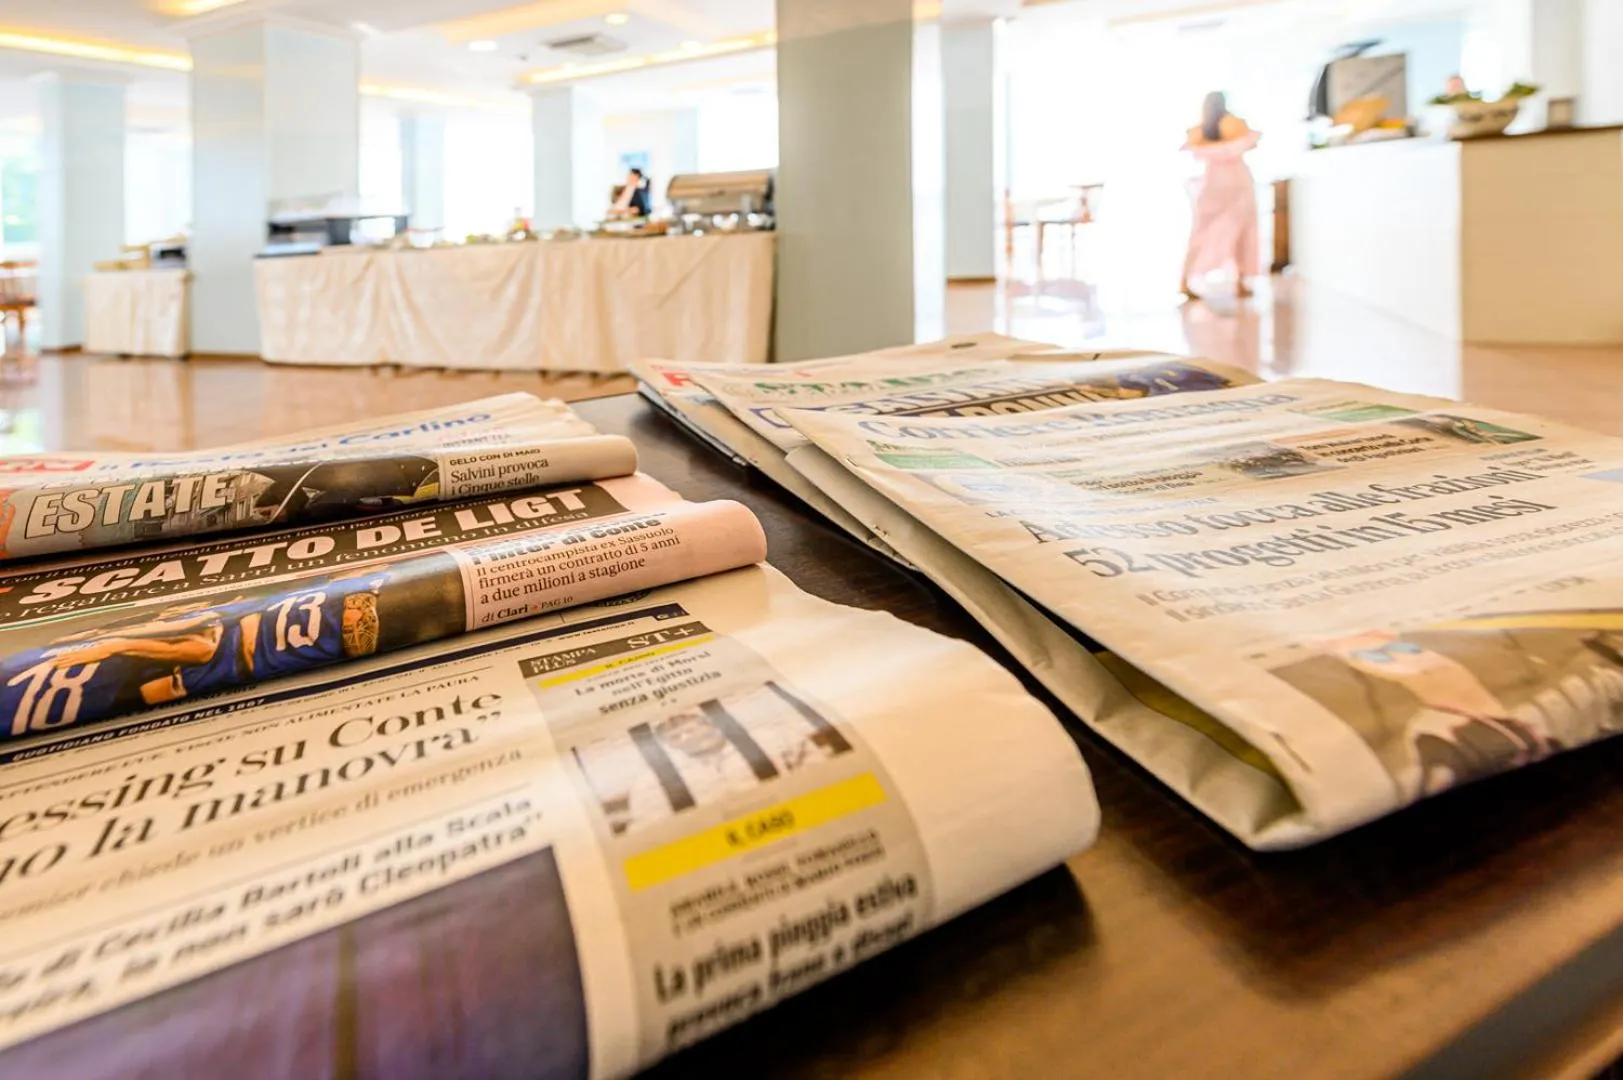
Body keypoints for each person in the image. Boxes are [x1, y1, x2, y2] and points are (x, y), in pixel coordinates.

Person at [1181, 91, 1261, 301]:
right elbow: (1252, 142)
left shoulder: (1199, 131)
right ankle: (1240, 282)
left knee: (1200, 232)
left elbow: (1190, 150)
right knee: (1243, 231)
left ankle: (1184, 280)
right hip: (1238, 181)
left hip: (1212, 182)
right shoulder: (1236, 124)